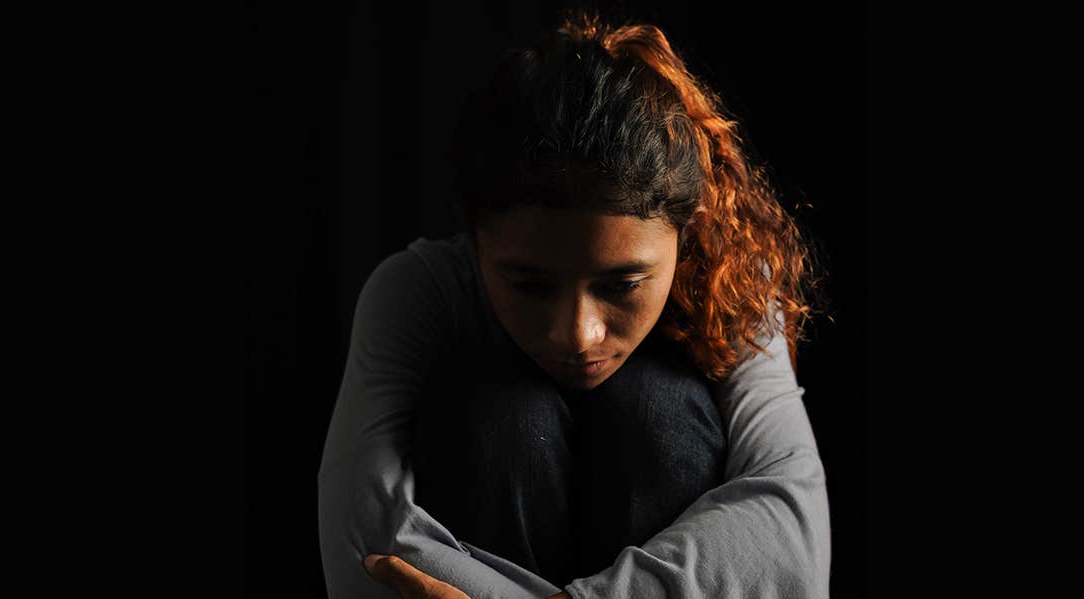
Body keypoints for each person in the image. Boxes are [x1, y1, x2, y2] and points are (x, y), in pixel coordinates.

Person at [318, 9, 830, 599]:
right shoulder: (420, 290)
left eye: (621, 285)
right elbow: (366, 549)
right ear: (475, 239)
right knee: (504, 419)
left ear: (688, 232)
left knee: (657, 408)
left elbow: (793, 537)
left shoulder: (735, 285)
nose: (577, 335)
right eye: (530, 284)